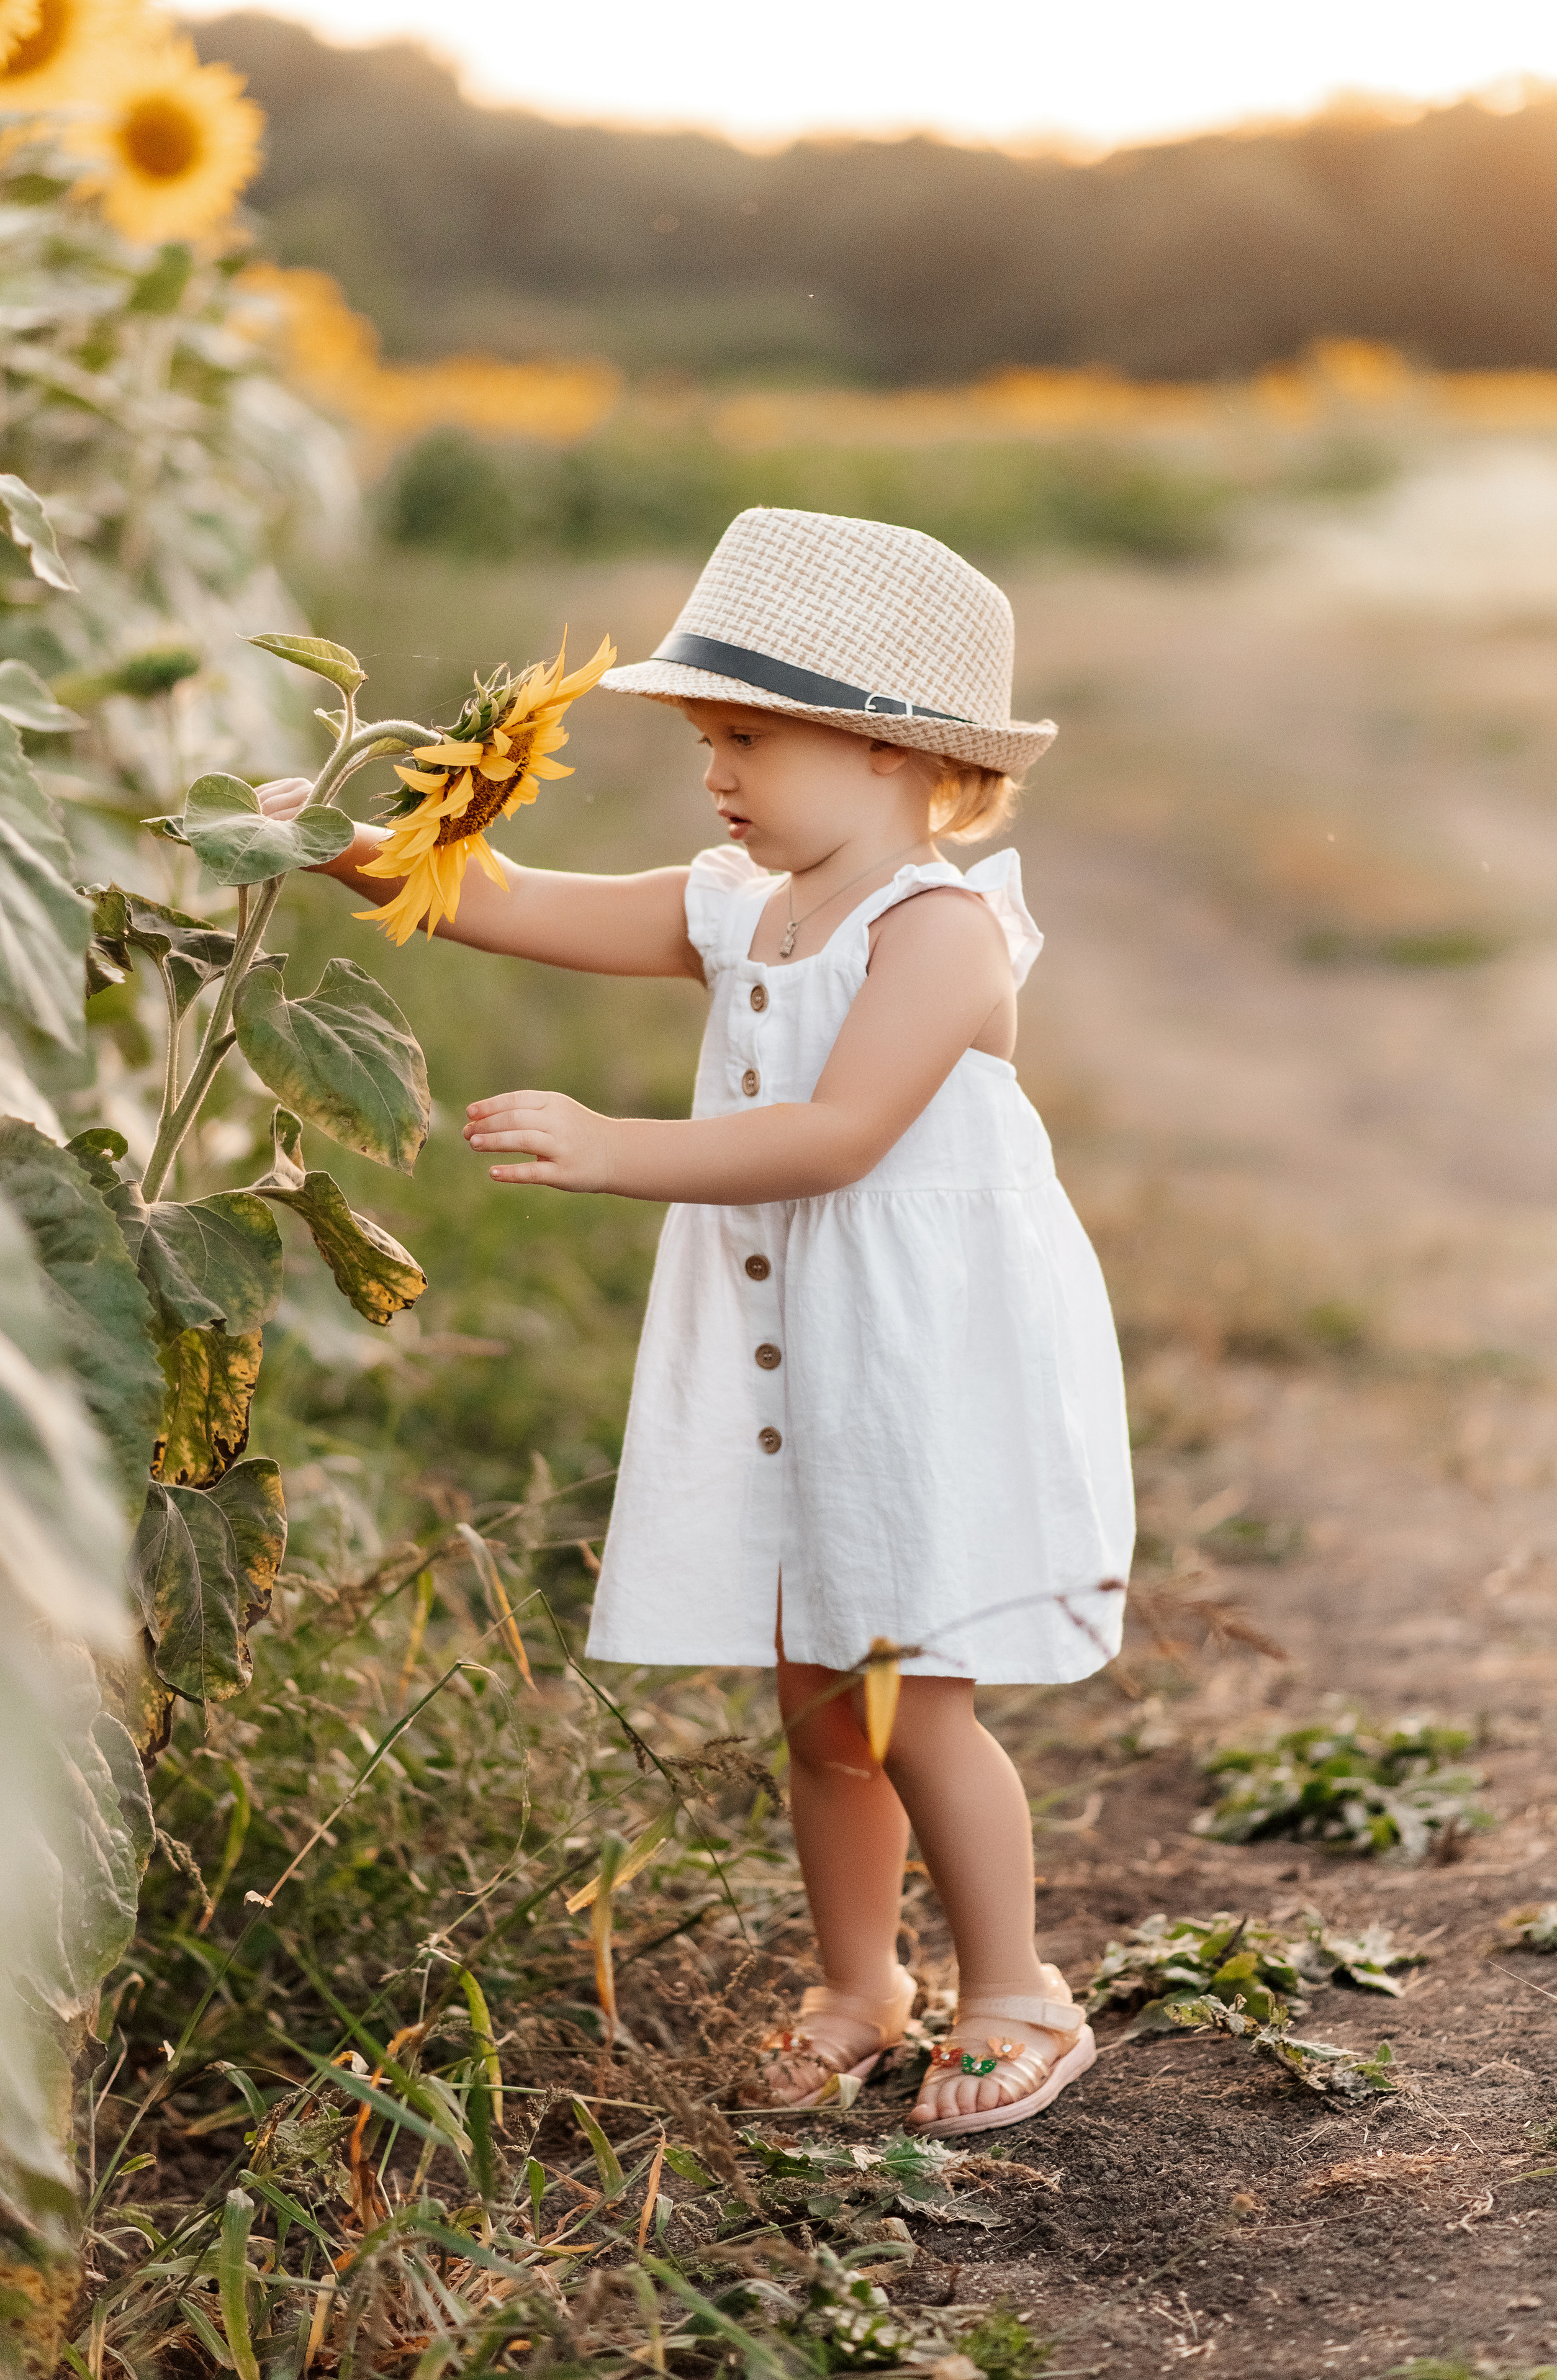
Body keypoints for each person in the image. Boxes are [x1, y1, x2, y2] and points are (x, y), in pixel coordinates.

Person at [260, 507, 1135, 2136]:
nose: (714, 774)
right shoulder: (744, 899)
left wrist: (616, 1151)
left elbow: (839, 1133)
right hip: (787, 1347)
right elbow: (510, 901)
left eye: (745, 737)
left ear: (887, 749)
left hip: (912, 1353)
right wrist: (332, 841)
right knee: (815, 1698)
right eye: (706, 739)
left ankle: (1019, 1989)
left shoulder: (939, 933)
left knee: (910, 1688)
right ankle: (859, 1982)